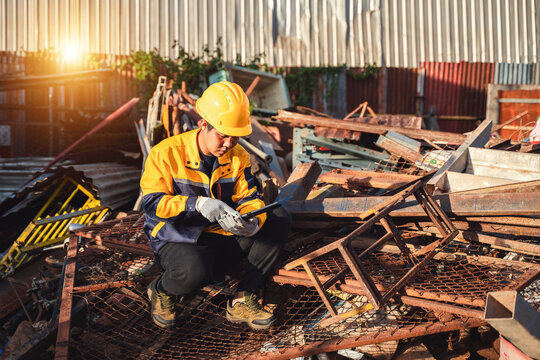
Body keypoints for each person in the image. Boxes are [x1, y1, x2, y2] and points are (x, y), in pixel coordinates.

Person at [140, 81, 291, 330]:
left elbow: (249, 198)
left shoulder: (238, 156)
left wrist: (251, 223)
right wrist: (197, 204)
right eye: (222, 135)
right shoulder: (165, 154)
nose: (228, 144)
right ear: (203, 125)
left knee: (278, 215)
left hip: (221, 236)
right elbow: (152, 204)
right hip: (177, 238)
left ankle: (243, 298)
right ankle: (160, 289)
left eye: (235, 137)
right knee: (195, 273)